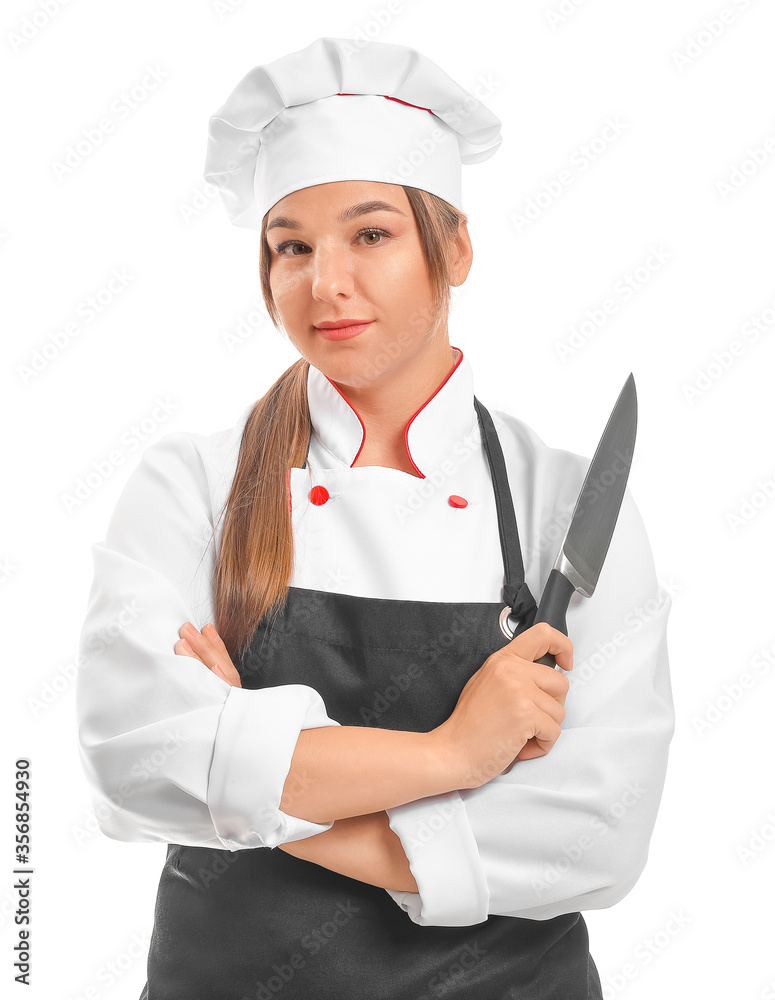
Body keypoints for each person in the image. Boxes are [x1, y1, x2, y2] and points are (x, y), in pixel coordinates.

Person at [75, 36, 675, 1000]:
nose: (325, 283)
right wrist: (455, 755)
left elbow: (594, 837)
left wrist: (262, 782)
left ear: (456, 248)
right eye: (291, 246)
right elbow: (134, 763)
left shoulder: (567, 505)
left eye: (370, 234)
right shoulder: (190, 486)